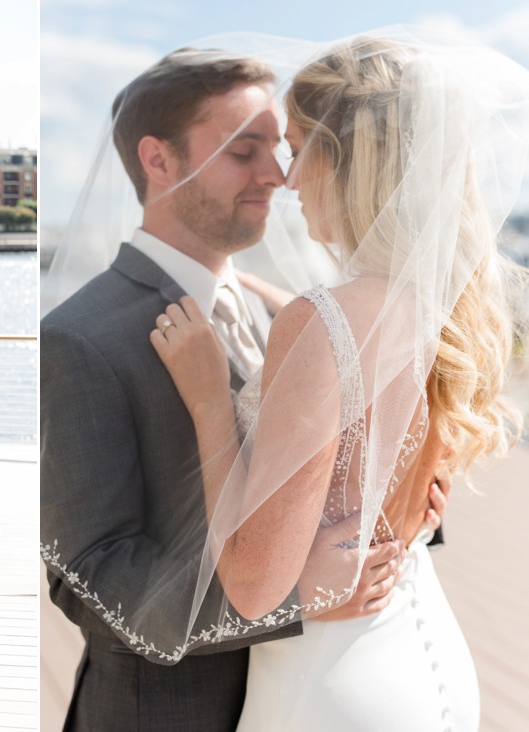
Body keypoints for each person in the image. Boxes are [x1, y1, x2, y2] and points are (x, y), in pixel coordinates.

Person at [40, 47, 446, 730]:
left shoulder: (285, 311)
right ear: (158, 160)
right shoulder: (80, 339)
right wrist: (296, 601)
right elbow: (86, 577)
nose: (278, 174)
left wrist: (404, 514)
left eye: (280, 147)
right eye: (243, 150)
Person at [152, 35, 528, 730]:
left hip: (330, 682)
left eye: (297, 148)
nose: (288, 180)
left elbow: (254, 586)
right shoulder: (445, 305)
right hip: (428, 653)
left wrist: (208, 396)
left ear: (349, 159)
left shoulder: (323, 321)